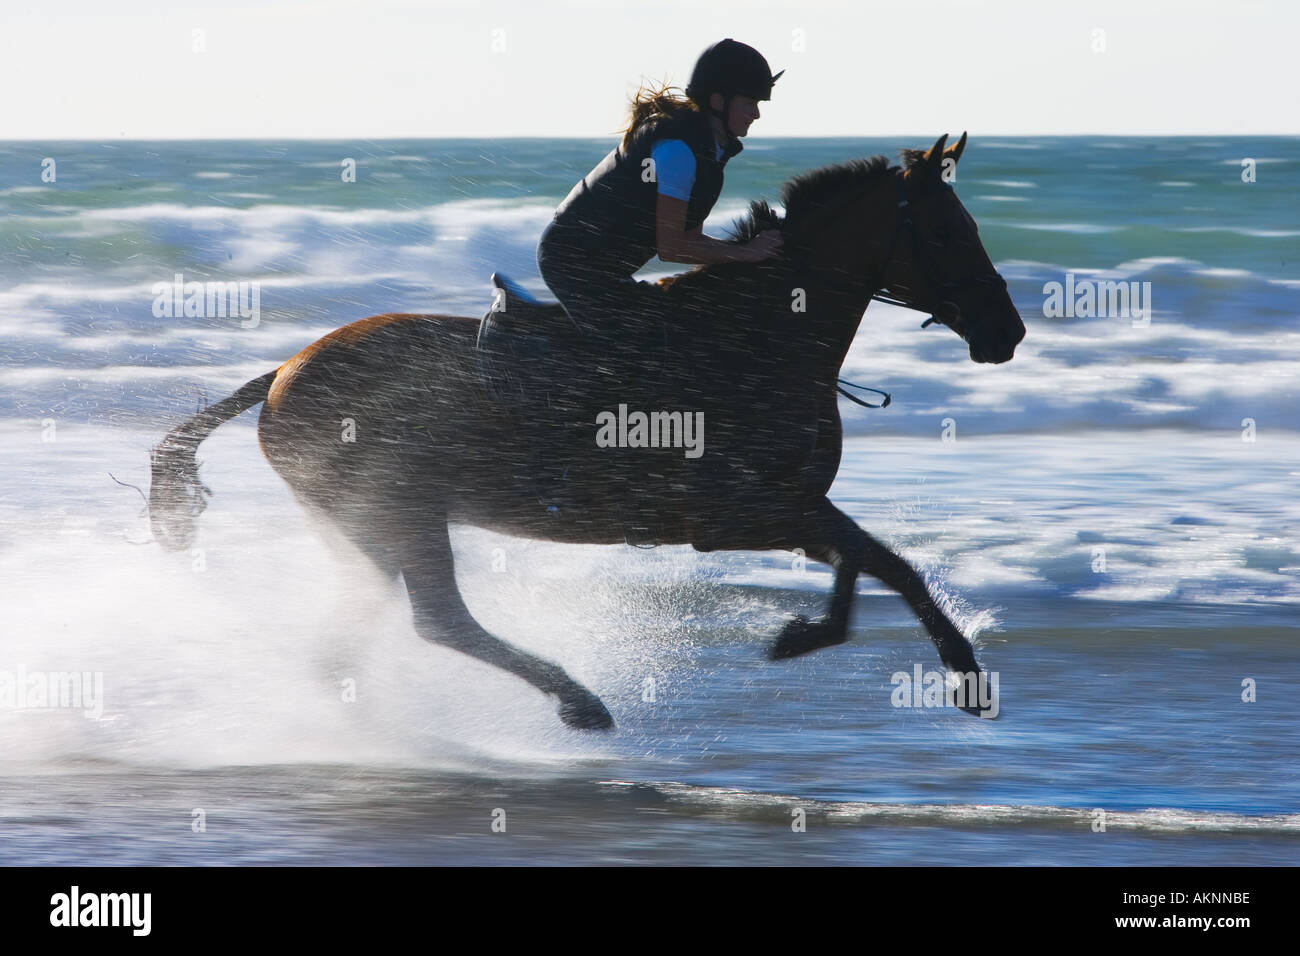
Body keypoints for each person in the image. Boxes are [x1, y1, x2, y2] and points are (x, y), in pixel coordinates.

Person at [536, 38, 785, 408]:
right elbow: (672, 248)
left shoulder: (710, 152)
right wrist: (747, 254)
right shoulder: (678, 151)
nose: (757, 114)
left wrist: (748, 258)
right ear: (718, 101)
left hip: (605, 270)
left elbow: (691, 240)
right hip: (571, 262)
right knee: (638, 356)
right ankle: (580, 453)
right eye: (750, 103)